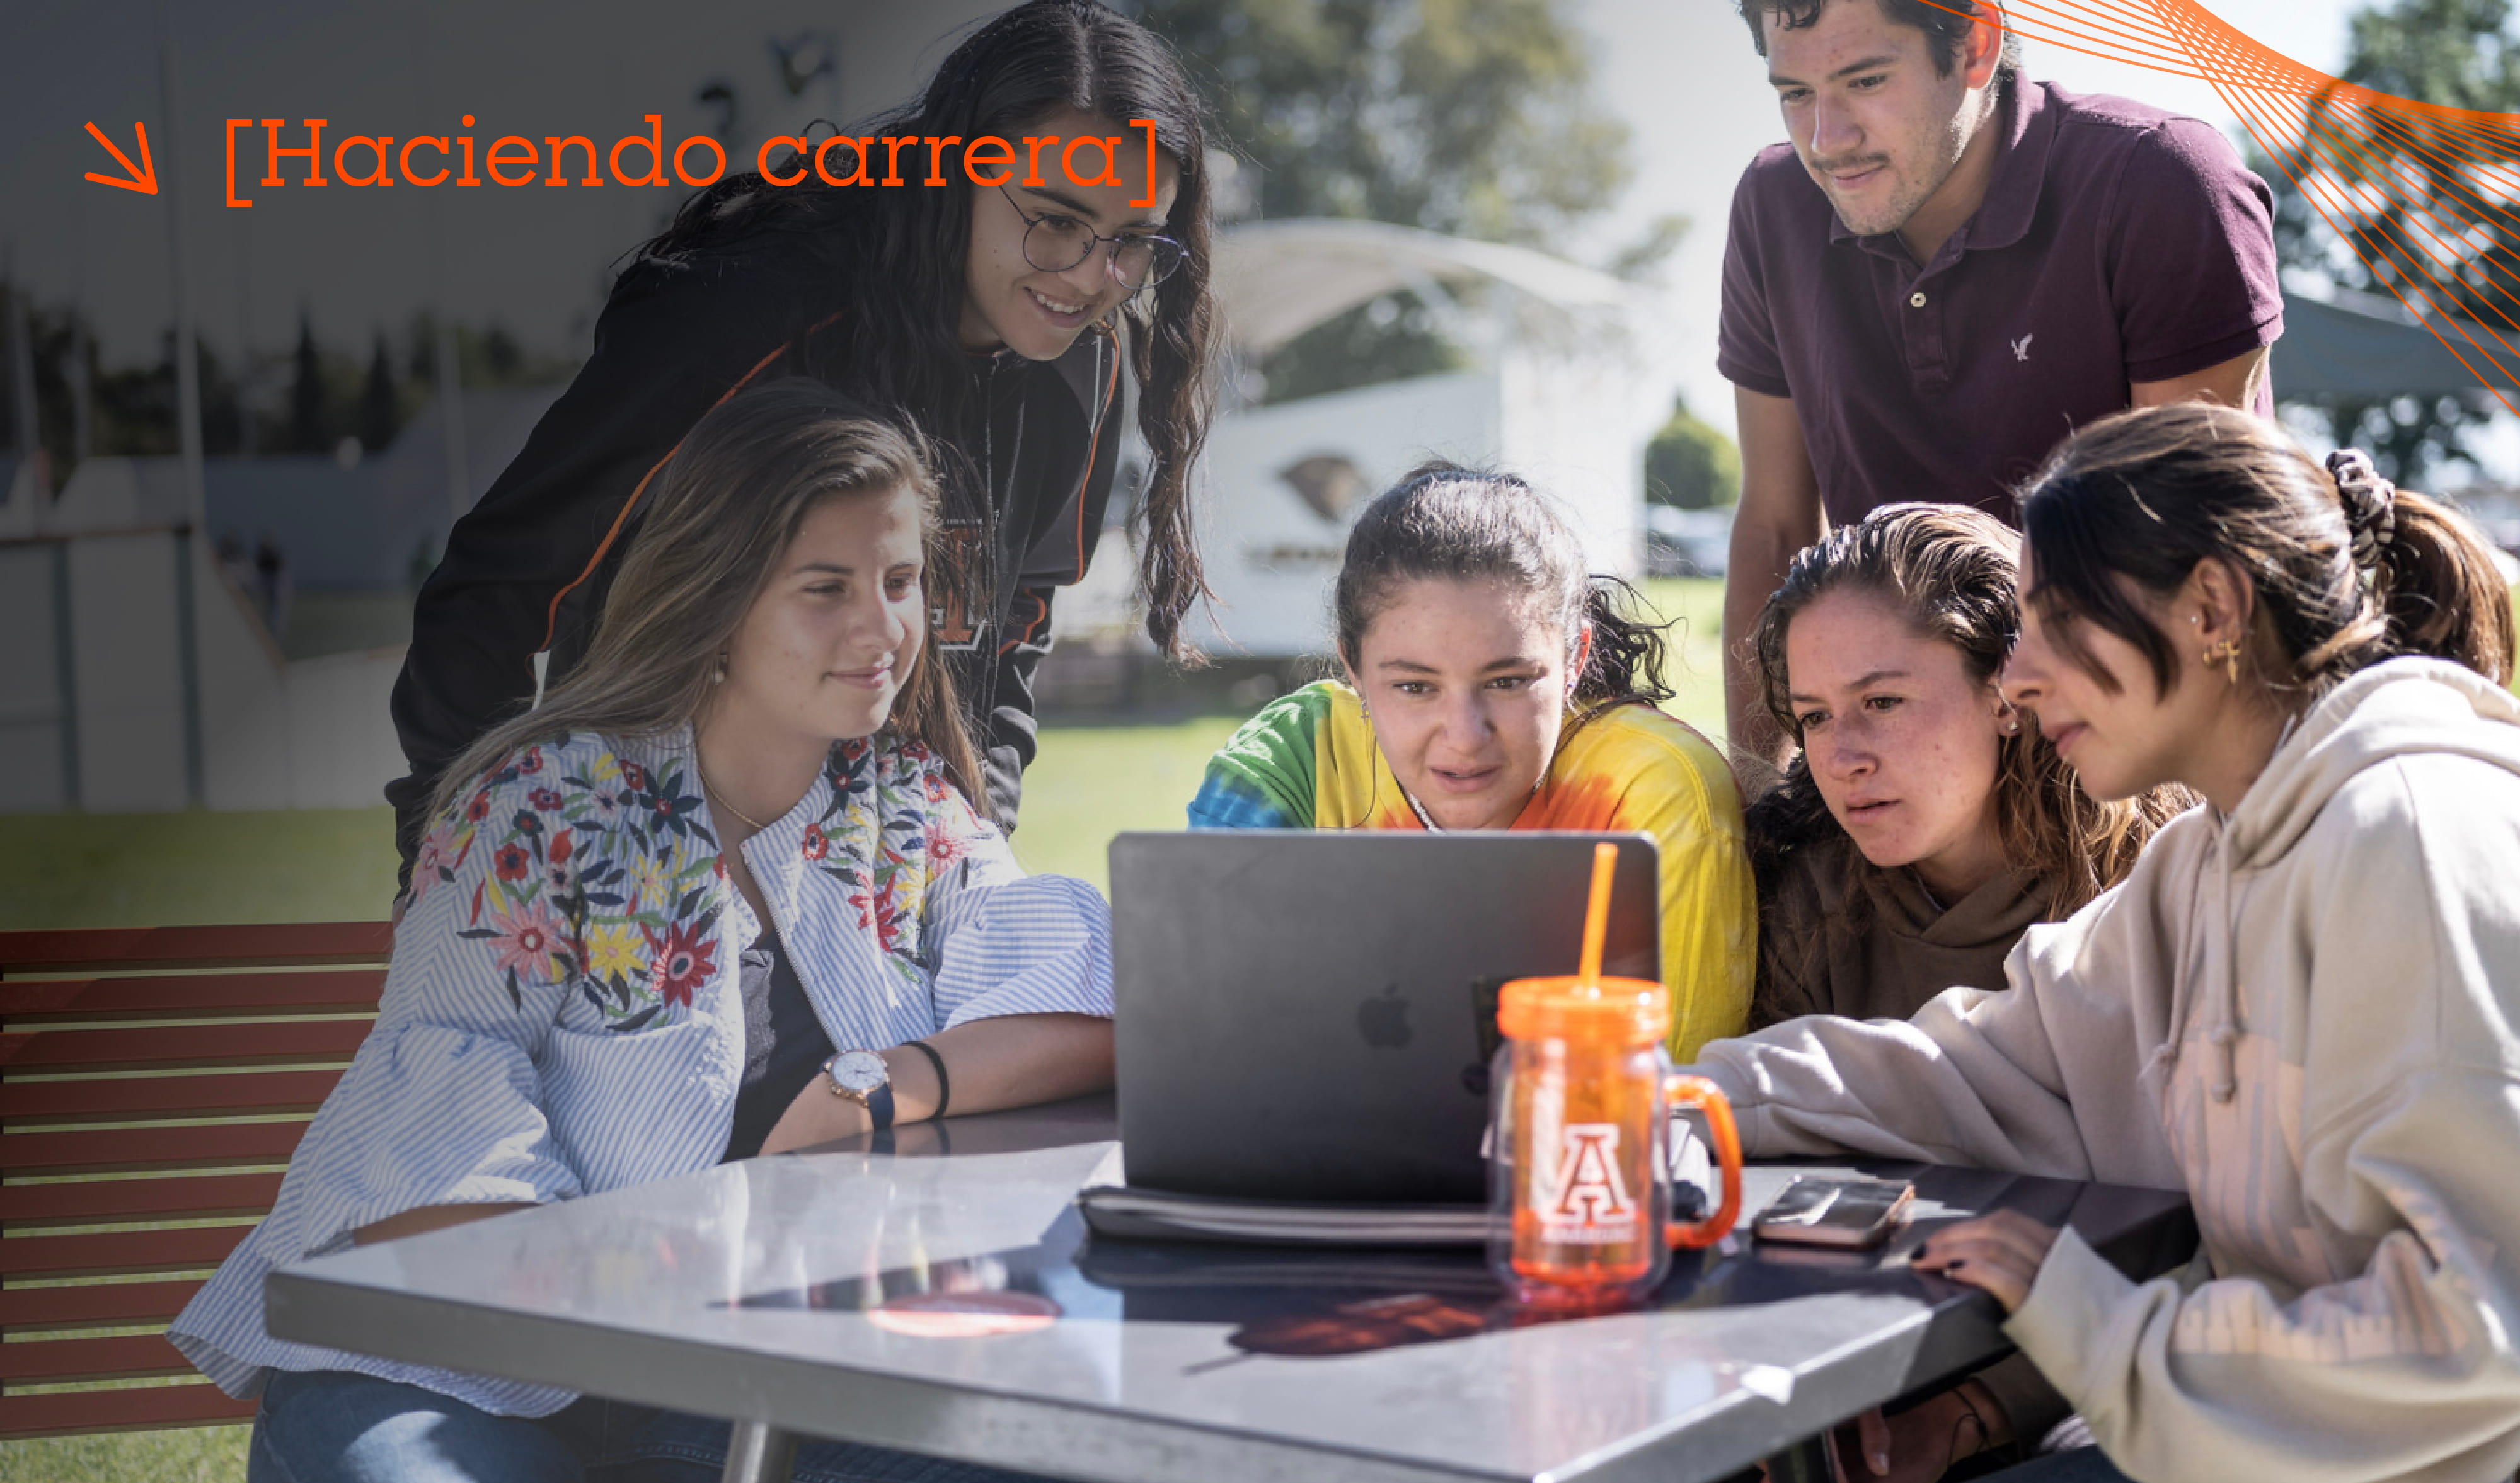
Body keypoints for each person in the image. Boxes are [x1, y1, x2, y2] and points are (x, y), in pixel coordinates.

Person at [1698, 403, 2520, 1481]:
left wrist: (2095, 1318)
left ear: (2211, 608)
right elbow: (1980, 1061)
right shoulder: (2212, 863)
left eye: (2057, 617)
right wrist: (1672, 1098)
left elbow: (2485, 1323)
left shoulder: (2422, 841)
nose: (2024, 671)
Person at [172, 381, 1117, 1483]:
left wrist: (882, 1082)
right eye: (826, 588)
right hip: (433, 1367)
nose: (883, 628)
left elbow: (1083, 1000)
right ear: (716, 599)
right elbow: (431, 1182)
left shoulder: (896, 800)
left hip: (733, 1388)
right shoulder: (540, 805)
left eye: (899, 581)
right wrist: (678, 1274)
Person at [388, 0, 1220, 885]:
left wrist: (971, 866)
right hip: (639, 872)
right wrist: (458, 866)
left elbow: (1007, 652)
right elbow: (495, 594)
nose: (1096, 277)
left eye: (1133, 241)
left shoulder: (1080, 370)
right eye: (1055, 219)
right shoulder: (744, 316)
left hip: (878, 897)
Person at [1715, 0, 2284, 759]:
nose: (1828, 139)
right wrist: (1759, 807)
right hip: (1897, 757)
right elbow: (1775, 527)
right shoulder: (1772, 206)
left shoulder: (2158, 181)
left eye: (1867, 81)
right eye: (1795, 94)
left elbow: (2187, 548)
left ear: (1976, 45)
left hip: (2137, 752)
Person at [1188, 463, 1756, 1061]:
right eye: (1414, 687)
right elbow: (1214, 1038)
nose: (1465, 737)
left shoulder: (1655, 787)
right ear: (1352, 668)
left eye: (1508, 681)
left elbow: (1669, 1099)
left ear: (1576, 658)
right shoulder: (1295, 761)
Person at [1746, 501, 2187, 1027]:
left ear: (2008, 693)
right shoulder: (1809, 910)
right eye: (1815, 717)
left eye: (1882, 702)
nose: (1842, 760)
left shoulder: (2158, 884)